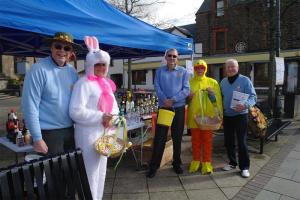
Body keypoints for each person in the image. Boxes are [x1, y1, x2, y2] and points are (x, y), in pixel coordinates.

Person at [69, 36, 119, 200]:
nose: (101, 67)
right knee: (89, 173)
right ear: (90, 65)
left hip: (104, 134)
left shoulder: (106, 84)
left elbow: (115, 108)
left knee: (101, 173)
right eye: (98, 64)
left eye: (104, 64)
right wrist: (100, 116)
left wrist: (114, 118)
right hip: (88, 135)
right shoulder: (83, 84)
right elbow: (75, 111)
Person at [22, 32, 80, 155]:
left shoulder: (73, 72)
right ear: (51, 48)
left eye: (67, 48)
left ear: (71, 52)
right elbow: (30, 106)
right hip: (48, 133)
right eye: (58, 46)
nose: (62, 51)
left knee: (70, 172)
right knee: (53, 173)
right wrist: (37, 138)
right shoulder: (38, 70)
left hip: (70, 131)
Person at [146, 48, 190, 178]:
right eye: (169, 56)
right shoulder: (159, 71)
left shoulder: (183, 72)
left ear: (178, 58)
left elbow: (186, 89)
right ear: (165, 57)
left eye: (174, 56)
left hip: (178, 108)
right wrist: (165, 100)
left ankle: (177, 163)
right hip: (164, 107)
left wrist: (173, 100)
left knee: (177, 137)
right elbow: (157, 87)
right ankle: (154, 166)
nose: (172, 58)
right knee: (160, 137)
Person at [220, 58, 257, 178]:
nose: (230, 69)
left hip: (241, 116)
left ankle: (244, 167)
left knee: (242, 142)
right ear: (225, 69)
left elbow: (253, 97)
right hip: (227, 116)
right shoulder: (223, 82)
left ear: (237, 68)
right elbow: (220, 98)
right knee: (228, 142)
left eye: (233, 66)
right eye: (228, 67)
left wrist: (245, 105)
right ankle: (232, 163)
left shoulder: (245, 80)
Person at [187, 60, 223, 174]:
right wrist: (189, 98)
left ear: (205, 69)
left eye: (202, 68)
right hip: (194, 118)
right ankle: (196, 161)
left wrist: (220, 114)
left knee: (207, 141)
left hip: (208, 119)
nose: (199, 70)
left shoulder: (212, 82)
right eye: (197, 68)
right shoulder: (189, 83)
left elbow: (218, 101)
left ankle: (207, 163)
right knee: (195, 141)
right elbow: (184, 100)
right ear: (194, 69)